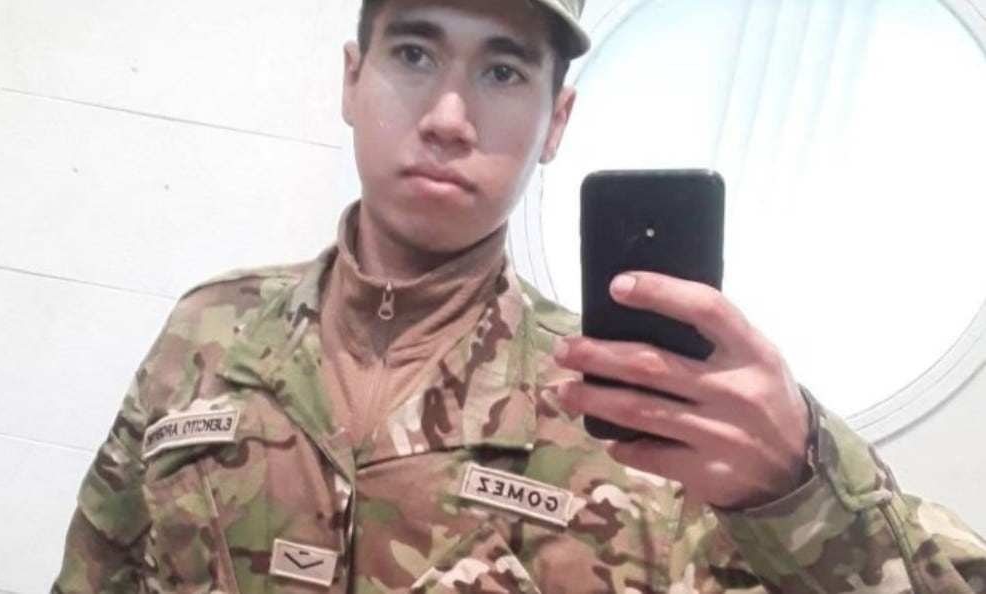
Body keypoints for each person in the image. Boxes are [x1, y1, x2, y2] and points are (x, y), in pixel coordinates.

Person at [53, 0, 986, 592]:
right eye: (413, 53)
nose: (448, 118)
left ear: (556, 122)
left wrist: (800, 486)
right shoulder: (208, 335)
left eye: (502, 72)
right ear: (351, 78)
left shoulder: (633, 415)